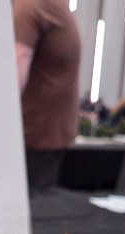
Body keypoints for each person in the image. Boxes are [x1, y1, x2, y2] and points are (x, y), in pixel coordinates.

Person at [13, 0, 81, 190]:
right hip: (47, 135)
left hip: (32, 138)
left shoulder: (30, 6)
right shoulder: (50, 6)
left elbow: (14, 75)